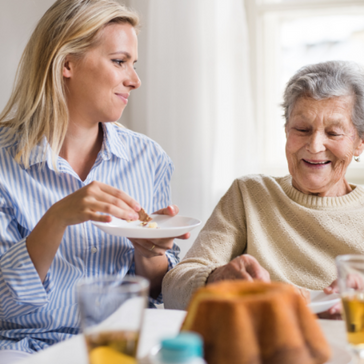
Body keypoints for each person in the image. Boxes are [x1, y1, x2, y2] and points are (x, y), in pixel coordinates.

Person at [0, 0, 188, 356]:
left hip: (122, 345)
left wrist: (150, 254)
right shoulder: (3, 160)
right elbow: (3, 306)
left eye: (133, 64)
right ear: (66, 63)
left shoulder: (148, 159)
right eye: (119, 62)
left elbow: (156, 289)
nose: (134, 80)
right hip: (23, 349)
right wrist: (57, 218)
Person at [162, 60, 364, 315]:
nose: (314, 146)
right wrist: (216, 280)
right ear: (286, 131)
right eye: (302, 129)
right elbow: (172, 289)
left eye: (334, 133)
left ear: (359, 142)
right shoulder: (249, 194)